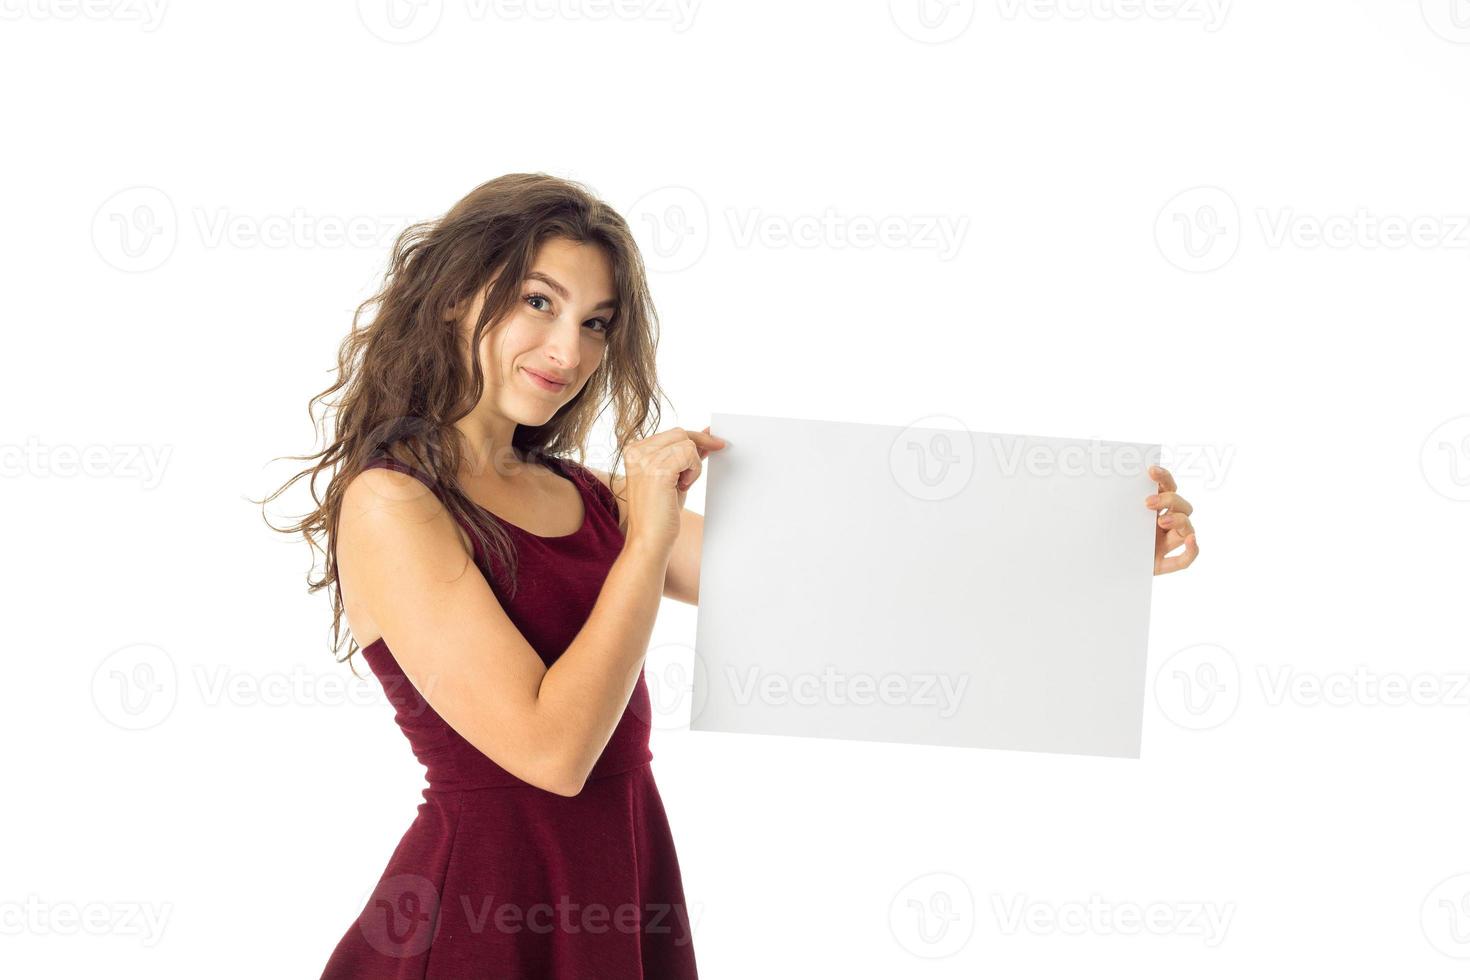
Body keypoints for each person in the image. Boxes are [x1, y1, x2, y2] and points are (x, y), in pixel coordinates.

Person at [266, 172, 721, 977]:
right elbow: (554, 753)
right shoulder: (392, 502)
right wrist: (645, 542)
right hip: (485, 914)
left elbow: (790, 585)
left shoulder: (583, 494)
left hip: (621, 878)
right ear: (454, 294)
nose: (569, 350)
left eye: (596, 322)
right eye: (538, 302)